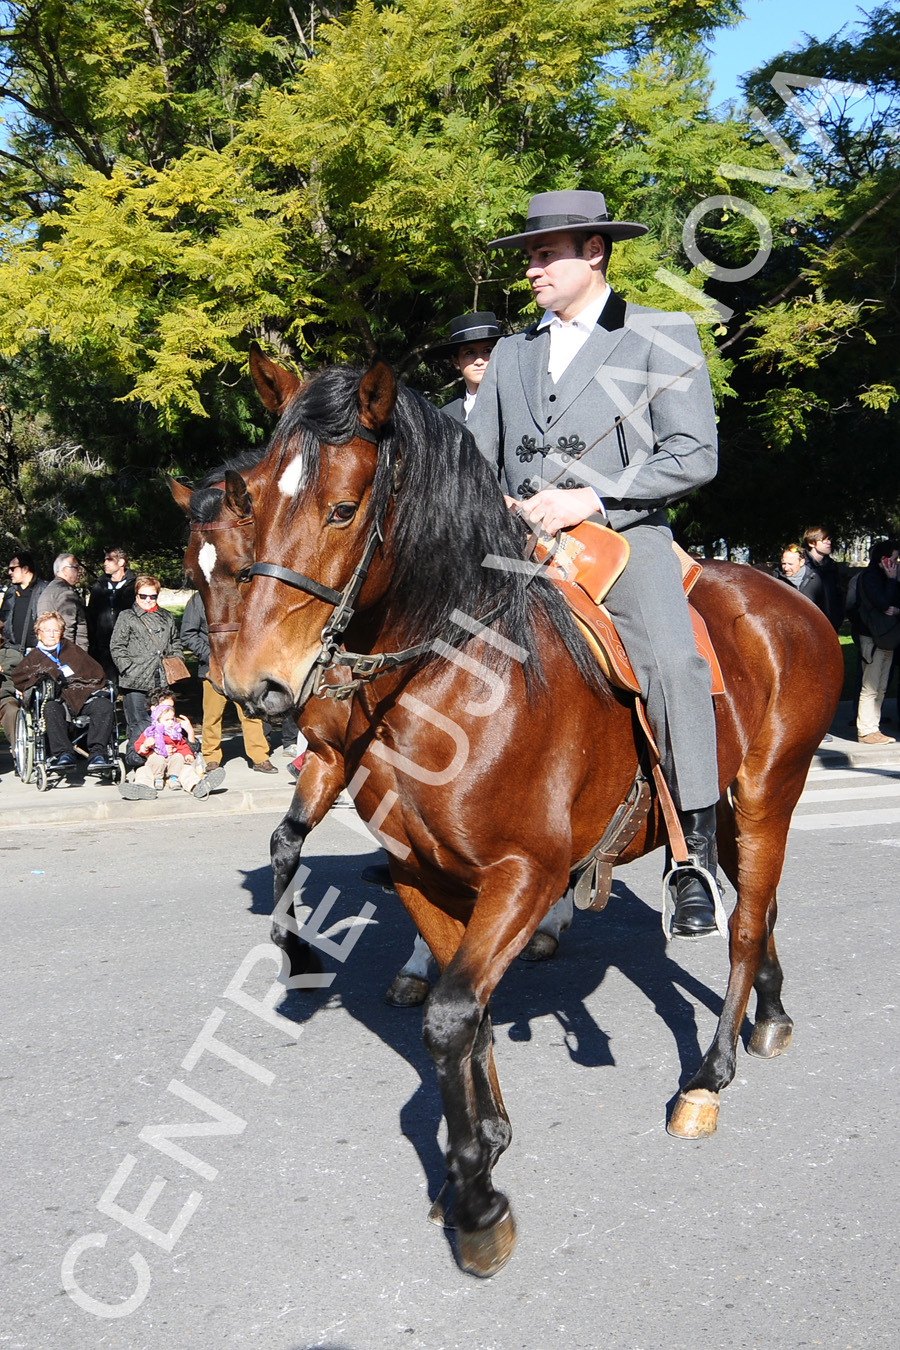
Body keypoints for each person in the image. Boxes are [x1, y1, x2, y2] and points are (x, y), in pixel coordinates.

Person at [466, 187, 720, 938]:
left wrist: (591, 498)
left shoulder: (660, 333)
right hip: (520, 545)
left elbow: (694, 454)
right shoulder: (511, 353)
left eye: (545, 255)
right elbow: (476, 460)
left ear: (594, 252)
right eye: (529, 259)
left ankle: (692, 854)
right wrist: (495, 506)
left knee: (675, 663)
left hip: (620, 536)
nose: (532, 270)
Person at [180, 590, 277, 773]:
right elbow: (188, 634)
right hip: (212, 669)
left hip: (243, 669)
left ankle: (259, 757)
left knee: (251, 715)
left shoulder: (242, 596)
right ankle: (211, 758)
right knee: (212, 716)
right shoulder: (200, 599)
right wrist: (211, 656)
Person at [11, 610, 116, 772]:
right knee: (51, 709)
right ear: (39, 634)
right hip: (55, 699)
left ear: (61, 632)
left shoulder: (72, 650)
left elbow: (95, 672)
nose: (52, 634)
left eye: (56, 630)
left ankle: (97, 753)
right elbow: (20, 677)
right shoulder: (33, 657)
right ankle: (63, 754)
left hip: (83, 695)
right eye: (47, 630)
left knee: (104, 706)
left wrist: (81, 684)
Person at [109, 574, 184, 768]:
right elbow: (117, 646)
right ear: (136, 595)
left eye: (152, 596)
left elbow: (175, 642)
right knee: (138, 724)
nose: (148, 600)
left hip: (161, 679)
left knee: (165, 722)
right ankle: (137, 763)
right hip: (135, 679)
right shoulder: (127, 616)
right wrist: (128, 668)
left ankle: (165, 762)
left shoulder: (167, 617)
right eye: (143, 596)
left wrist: (176, 661)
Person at [119, 687, 226, 800]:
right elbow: (131, 757)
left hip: (175, 767)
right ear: (154, 708)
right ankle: (142, 788)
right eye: (167, 707)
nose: (171, 711)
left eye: (172, 707)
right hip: (152, 766)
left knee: (187, 770)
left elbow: (190, 749)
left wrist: (190, 732)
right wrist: (150, 751)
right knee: (143, 772)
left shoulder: (175, 725)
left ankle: (198, 786)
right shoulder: (143, 727)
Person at [855, 540, 900, 745]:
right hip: (872, 636)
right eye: (892, 559)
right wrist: (891, 580)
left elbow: (894, 602)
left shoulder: (887, 577)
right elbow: (882, 602)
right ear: (882, 559)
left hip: (887, 636)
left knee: (881, 686)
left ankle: (874, 726)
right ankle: (865, 730)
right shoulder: (871, 577)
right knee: (871, 685)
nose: (895, 563)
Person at [431, 312, 502, 423]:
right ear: (456, 361)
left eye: (487, 351)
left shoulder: (516, 403)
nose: (479, 361)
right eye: (469, 353)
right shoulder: (446, 416)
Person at [87, 547, 137, 682]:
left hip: (129, 646)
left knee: (129, 685)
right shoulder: (99, 586)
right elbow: (91, 616)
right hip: (103, 647)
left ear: (121, 562)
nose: (105, 563)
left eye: (109, 559)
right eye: (104, 560)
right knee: (108, 686)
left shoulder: (134, 586)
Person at [0, 553, 48, 651]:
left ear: (25, 569)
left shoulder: (44, 590)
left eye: (13, 569)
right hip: (11, 651)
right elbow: (3, 619)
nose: (9, 572)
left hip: (38, 651)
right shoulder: (11, 592)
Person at [40, 554, 89, 649]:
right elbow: (67, 630)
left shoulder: (47, 590)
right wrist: (69, 655)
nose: (80, 571)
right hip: (65, 654)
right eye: (76, 567)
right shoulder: (66, 593)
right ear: (65, 570)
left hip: (47, 650)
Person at [803, 527, 844, 630]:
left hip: (830, 625)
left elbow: (838, 594)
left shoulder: (831, 566)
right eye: (823, 540)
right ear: (811, 543)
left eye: (829, 539)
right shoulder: (802, 566)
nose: (828, 542)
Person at [777, 544, 828, 614]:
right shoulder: (776, 579)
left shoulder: (814, 580)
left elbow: (824, 609)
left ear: (802, 562)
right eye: (784, 563)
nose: (786, 568)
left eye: (790, 564)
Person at [0, 619, 23, 752]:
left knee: (12, 711)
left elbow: (25, 677)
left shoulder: (13, 655)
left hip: (5, 698)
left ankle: (18, 754)